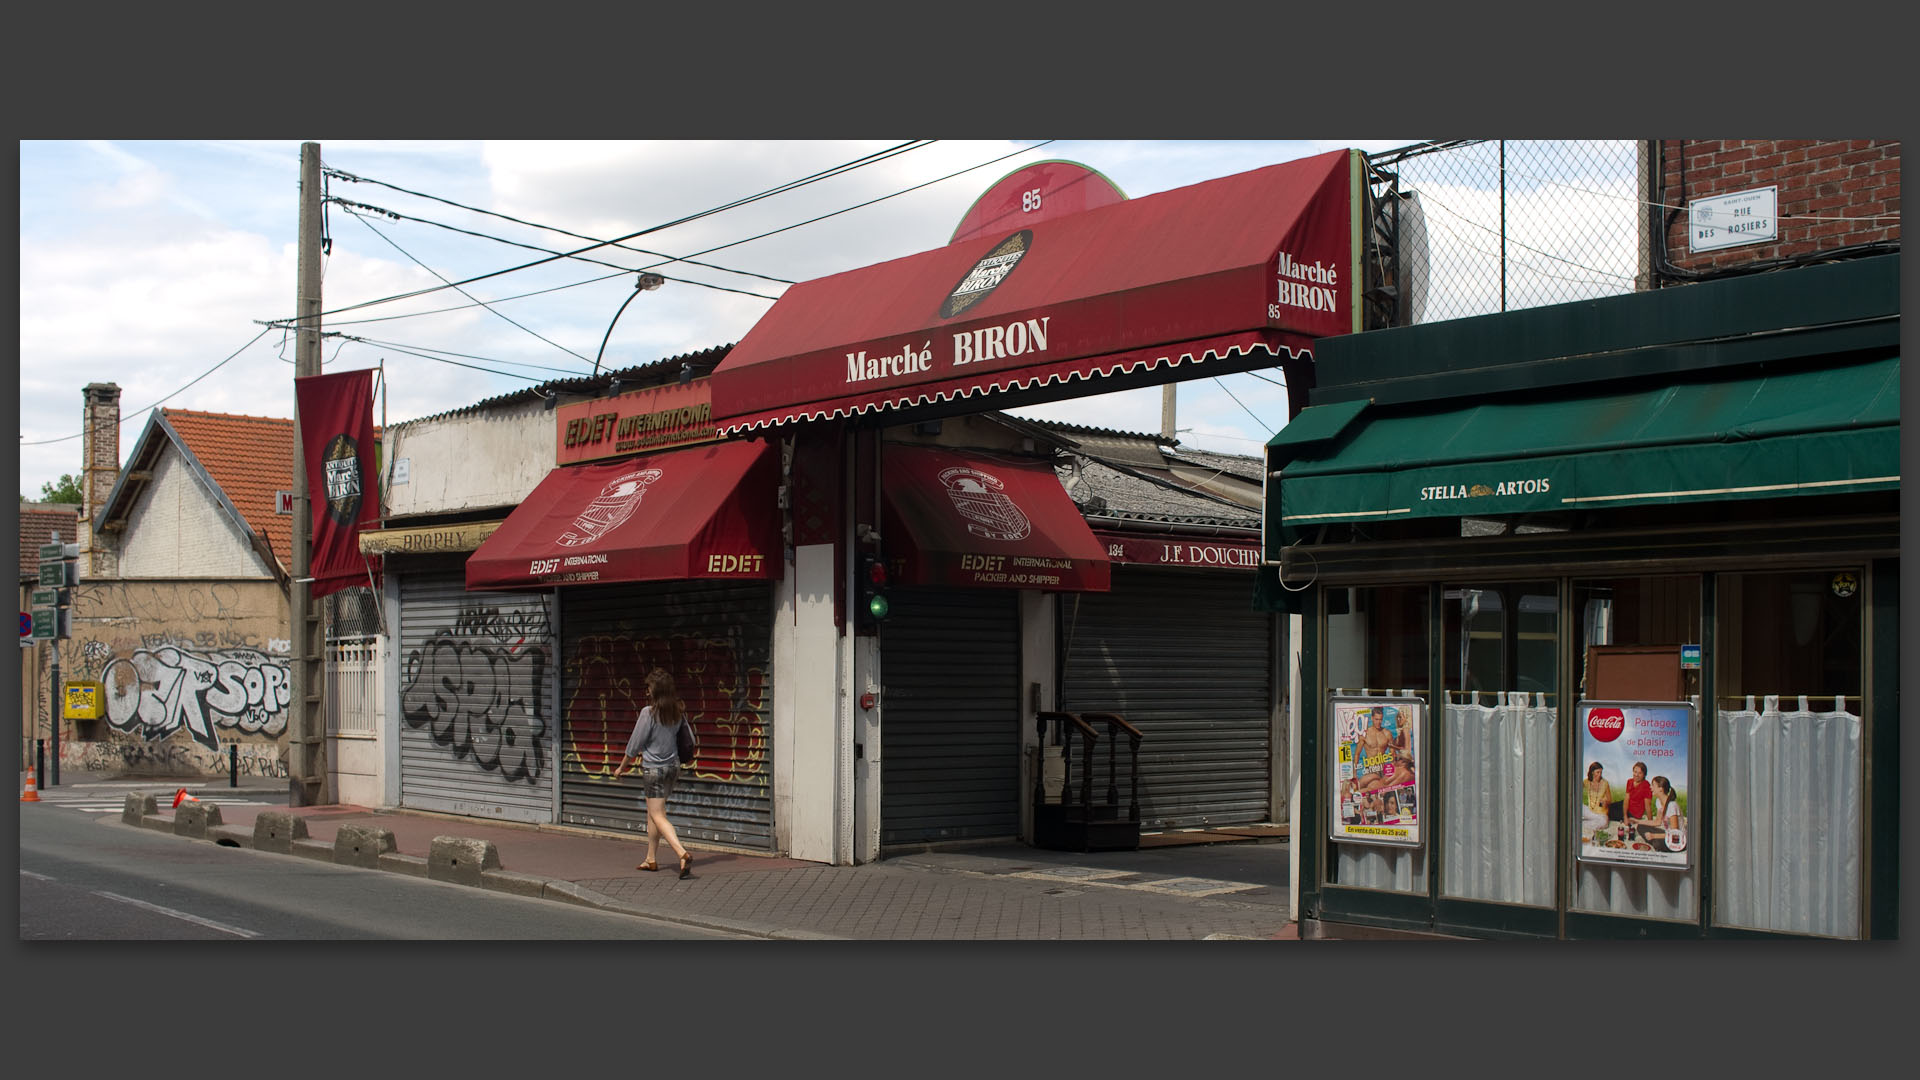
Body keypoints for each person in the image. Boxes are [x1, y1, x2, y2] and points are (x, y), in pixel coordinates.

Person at [612, 668, 695, 879]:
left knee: (658, 815)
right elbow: (691, 739)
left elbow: (634, 744)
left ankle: (681, 852)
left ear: (655, 690)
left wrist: (622, 767)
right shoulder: (678, 711)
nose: (647, 691)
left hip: (654, 770)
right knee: (653, 813)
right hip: (673, 768)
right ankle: (650, 858)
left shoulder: (647, 713)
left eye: (649, 687)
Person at [1582, 761, 1612, 835]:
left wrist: (1605, 802)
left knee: (1604, 822)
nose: (1600, 774)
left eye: (1601, 772)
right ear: (1592, 772)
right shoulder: (1586, 782)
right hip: (1589, 811)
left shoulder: (1605, 783)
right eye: (1597, 772)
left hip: (1600, 814)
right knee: (1576, 806)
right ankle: (1587, 822)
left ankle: (1581, 823)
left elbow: (1610, 800)